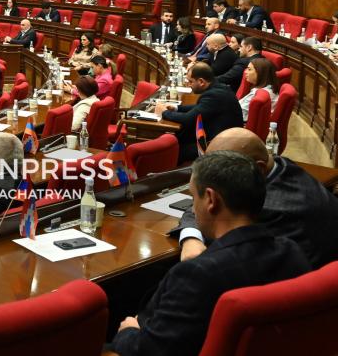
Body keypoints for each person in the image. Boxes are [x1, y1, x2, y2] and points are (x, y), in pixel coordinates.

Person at [111, 151, 310, 356]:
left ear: (211, 199)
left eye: (193, 197)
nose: (193, 209)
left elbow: (150, 352)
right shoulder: (290, 251)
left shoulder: (196, 274)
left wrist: (129, 331)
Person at [173, 128, 338, 268]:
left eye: (219, 171)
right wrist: (190, 236)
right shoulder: (280, 165)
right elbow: (202, 200)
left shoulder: (268, 207)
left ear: (258, 168)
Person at [161, 63, 243, 163]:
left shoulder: (214, 95)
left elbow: (187, 119)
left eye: (191, 82)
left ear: (201, 81)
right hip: (217, 137)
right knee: (179, 136)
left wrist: (164, 112)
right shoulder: (218, 87)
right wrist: (176, 108)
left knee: (172, 149)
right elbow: (200, 108)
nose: (189, 85)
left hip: (219, 147)